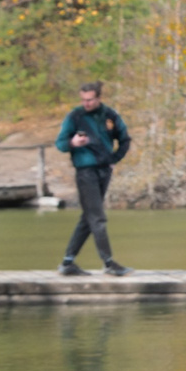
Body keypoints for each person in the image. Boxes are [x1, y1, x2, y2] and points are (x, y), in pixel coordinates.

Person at [55, 81, 132, 277]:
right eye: (83, 100)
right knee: (97, 218)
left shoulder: (110, 115)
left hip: (104, 171)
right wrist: (73, 142)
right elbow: (60, 144)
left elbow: (124, 139)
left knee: (88, 218)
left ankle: (67, 263)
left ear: (98, 98)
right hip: (85, 172)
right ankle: (109, 263)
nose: (86, 103)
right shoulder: (75, 116)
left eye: (89, 100)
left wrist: (114, 158)